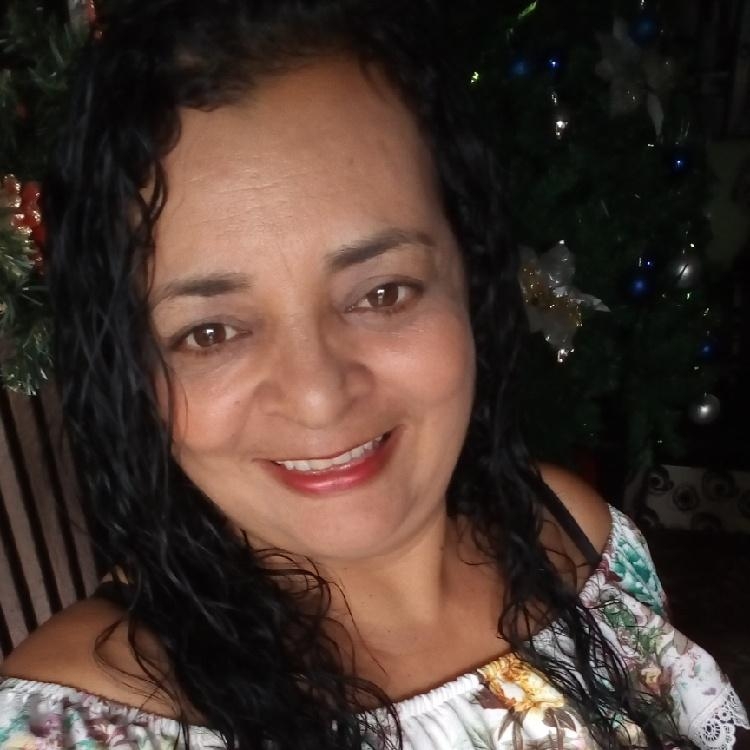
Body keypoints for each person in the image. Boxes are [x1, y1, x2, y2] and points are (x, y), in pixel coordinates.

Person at [0, 2, 747, 749]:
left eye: (383, 293)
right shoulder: (75, 727)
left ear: (469, 273)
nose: (319, 396)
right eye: (211, 332)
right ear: (132, 363)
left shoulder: (574, 534)